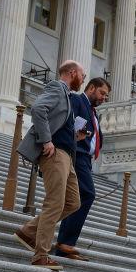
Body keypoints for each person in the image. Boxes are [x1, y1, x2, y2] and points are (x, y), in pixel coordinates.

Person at [13, 60, 85, 270]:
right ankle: (40, 255)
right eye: (82, 75)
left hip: (66, 154)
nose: (83, 79)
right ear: (73, 73)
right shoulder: (56, 87)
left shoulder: (68, 96)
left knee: (73, 202)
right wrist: (46, 140)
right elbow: (38, 108)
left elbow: (56, 121)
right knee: (55, 203)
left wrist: (74, 136)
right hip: (55, 154)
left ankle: (28, 232)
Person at [54, 76, 110, 261]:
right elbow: (69, 122)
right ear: (91, 88)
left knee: (75, 199)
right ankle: (66, 242)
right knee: (87, 194)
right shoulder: (78, 100)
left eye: (106, 96)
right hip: (77, 154)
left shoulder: (93, 112)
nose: (104, 98)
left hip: (85, 158)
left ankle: (64, 246)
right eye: (102, 93)